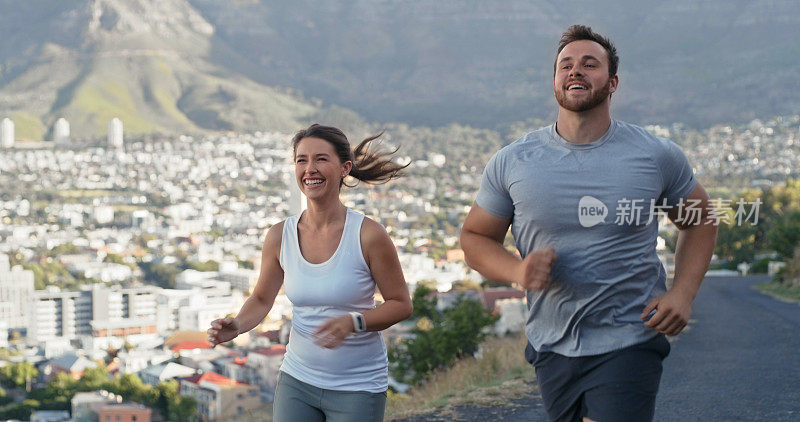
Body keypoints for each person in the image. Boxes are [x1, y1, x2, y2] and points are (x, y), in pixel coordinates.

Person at [460, 25, 717, 422]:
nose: (575, 71)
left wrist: (682, 294)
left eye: (589, 64)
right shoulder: (513, 161)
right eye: (566, 65)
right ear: (555, 81)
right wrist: (517, 270)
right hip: (551, 342)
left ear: (612, 82)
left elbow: (700, 220)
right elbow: (475, 237)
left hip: (630, 337)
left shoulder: (653, 155)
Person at [207, 124, 413, 421]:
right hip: (297, 379)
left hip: (357, 385)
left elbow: (401, 304)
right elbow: (262, 299)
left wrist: (354, 322)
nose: (309, 169)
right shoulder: (280, 236)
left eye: (321, 159)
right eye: (301, 160)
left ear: (345, 168)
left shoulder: (368, 235)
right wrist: (238, 325)